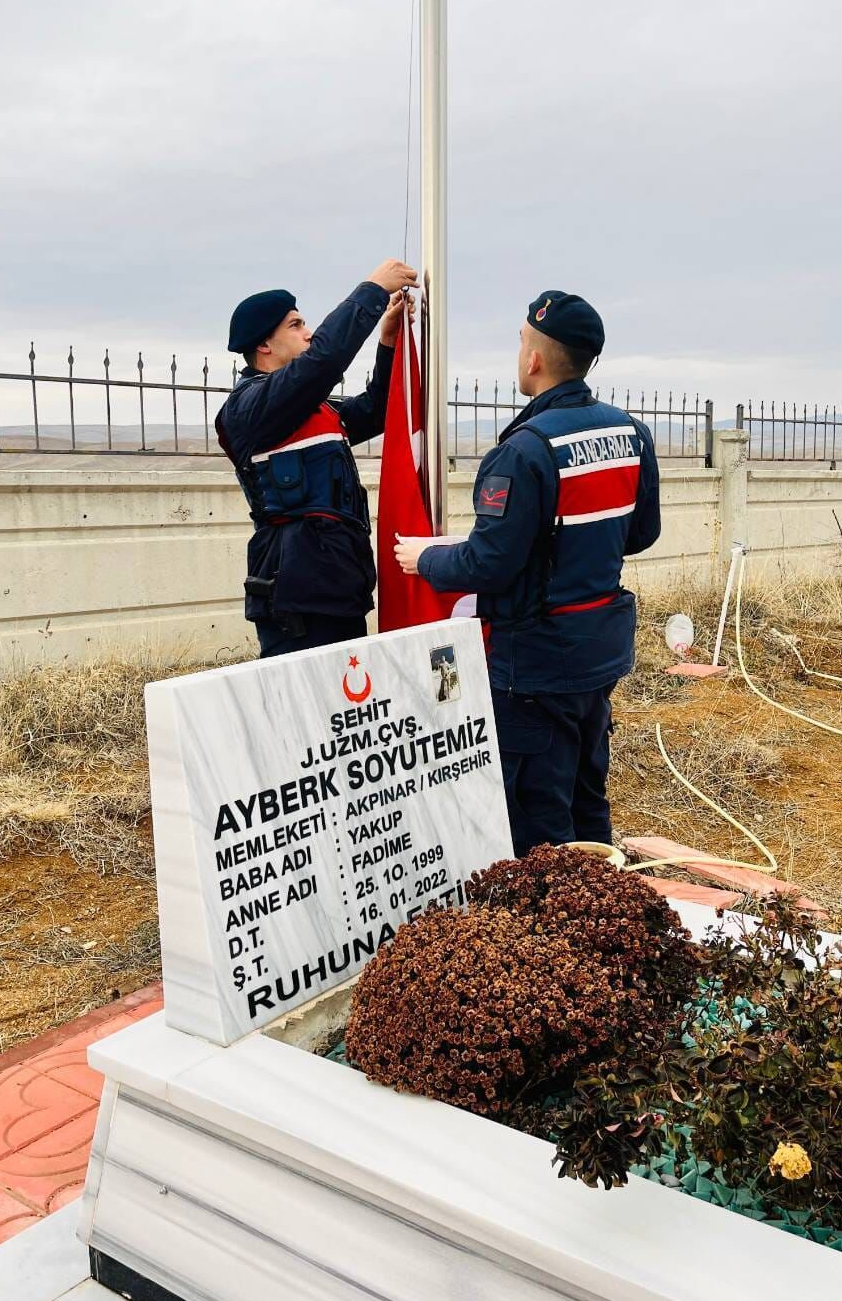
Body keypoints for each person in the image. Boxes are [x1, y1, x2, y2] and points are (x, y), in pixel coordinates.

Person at [394, 291, 660, 855]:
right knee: (588, 800)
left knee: (538, 824)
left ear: (535, 359)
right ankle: (603, 922)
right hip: (598, 654)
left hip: (534, 666)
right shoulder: (631, 433)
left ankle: (555, 933)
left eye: (521, 342)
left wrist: (426, 560)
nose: (520, 354)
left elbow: (489, 562)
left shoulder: (526, 450)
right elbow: (641, 533)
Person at [216, 260, 418, 657]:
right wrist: (372, 291)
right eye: (295, 325)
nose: (307, 333)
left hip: (339, 592)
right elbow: (321, 363)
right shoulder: (248, 410)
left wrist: (388, 342)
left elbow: (379, 409)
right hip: (298, 601)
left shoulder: (314, 408)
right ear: (263, 344)